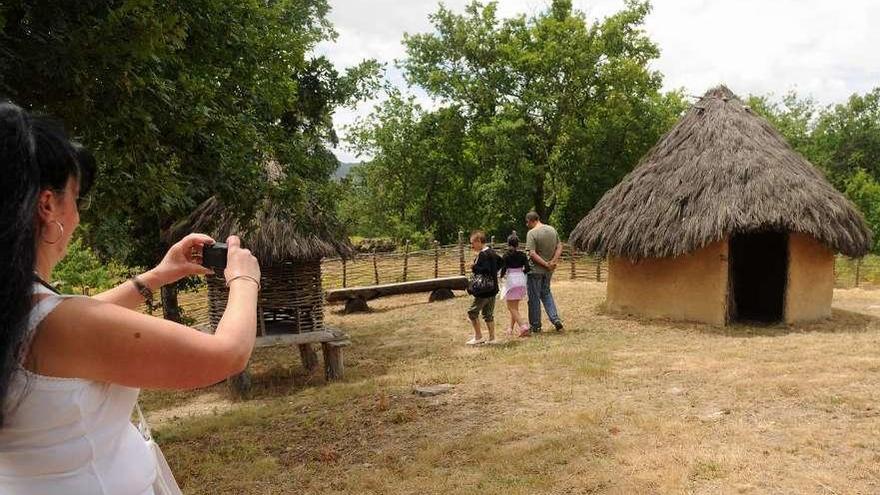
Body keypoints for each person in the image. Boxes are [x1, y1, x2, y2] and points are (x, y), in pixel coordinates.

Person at [0, 101, 261, 494]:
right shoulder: (57, 326)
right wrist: (244, 279)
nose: (78, 217)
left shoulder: (18, 311)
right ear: (48, 204)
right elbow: (225, 355)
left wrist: (157, 276)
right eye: (76, 198)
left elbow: (71, 321)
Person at [525, 211, 564, 333]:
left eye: (527, 223)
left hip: (535, 270)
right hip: (549, 271)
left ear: (531, 221)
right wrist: (552, 261)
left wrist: (545, 264)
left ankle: (536, 325)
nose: (527, 225)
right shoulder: (552, 229)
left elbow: (532, 253)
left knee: (534, 298)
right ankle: (555, 319)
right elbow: (559, 246)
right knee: (546, 293)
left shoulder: (532, 233)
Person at [465, 230, 502, 345]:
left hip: (484, 290)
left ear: (479, 241)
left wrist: (474, 267)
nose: (472, 246)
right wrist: (494, 274)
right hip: (493, 289)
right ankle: (492, 338)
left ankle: (478, 337)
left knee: (472, 312)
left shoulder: (482, 254)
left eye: (473, 243)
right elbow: (501, 262)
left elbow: (485, 270)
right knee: (488, 314)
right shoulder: (491, 252)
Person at [498, 231, 530, 338]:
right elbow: (528, 268)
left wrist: (501, 277)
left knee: (510, 307)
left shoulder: (506, 255)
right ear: (517, 244)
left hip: (511, 281)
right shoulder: (523, 255)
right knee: (514, 307)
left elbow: (503, 270)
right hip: (521, 280)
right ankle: (510, 329)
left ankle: (523, 326)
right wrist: (520, 273)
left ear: (508, 244)